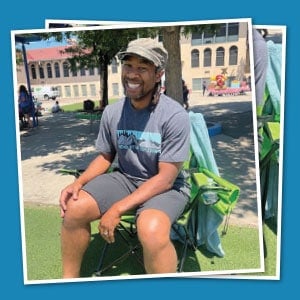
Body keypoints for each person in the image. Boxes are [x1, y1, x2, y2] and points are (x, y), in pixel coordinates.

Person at [59, 38, 191, 278]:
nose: (132, 74)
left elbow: (166, 179)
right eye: (128, 66)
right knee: (75, 208)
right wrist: (77, 183)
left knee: (151, 229)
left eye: (142, 68)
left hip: (166, 187)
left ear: (159, 74)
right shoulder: (113, 112)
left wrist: (117, 209)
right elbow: (105, 156)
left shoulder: (175, 115)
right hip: (126, 178)